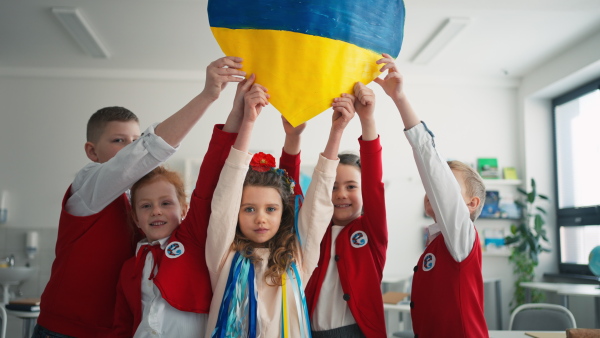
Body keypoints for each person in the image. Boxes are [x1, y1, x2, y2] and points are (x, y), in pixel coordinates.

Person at [34, 56, 246, 338]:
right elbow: (141, 156)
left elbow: (205, 187)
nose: (129, 150)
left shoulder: (150, 224)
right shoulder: (88, 184)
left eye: (135, 141)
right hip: (65, 331)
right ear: (92, 152)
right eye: (118, 140)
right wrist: (208, 95)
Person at [112, 75, 305, 337]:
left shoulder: (193, 237)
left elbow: (211, 177)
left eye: (166, 203)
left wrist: (238, 113)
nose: (156, 210)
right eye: (145, 206)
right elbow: (122, 323)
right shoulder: (129, 267)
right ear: (135, 217)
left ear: (183, 208)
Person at [204, 83, 355, 337]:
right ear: (236, 214)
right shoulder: (223, 255)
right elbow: (226, 196)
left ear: (283, 213)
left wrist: (336, 131)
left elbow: (318, 205)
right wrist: (248, 121)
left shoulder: (298, 256)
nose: (261, 218)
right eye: (249, 209)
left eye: (271, 209)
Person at [376, 53, 488, 337]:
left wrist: (400, 100)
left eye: (448, 187)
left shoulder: (463, 238)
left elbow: (432, 167)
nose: (434, 191)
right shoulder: (440, 243)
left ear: (471, 204)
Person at [305, 82, 388, 338]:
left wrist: (367, 119)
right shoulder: (312, 231)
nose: (341, 194)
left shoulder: (371, 231)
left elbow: (374, 184)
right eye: (333, 187)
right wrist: (335, 130)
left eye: (351, 186)